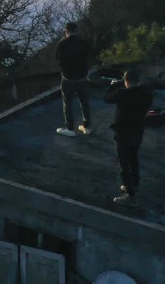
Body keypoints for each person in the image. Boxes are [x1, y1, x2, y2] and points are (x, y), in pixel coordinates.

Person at [104, 69, 153, 205]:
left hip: (123, 132)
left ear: (125, 81)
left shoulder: (122, 93)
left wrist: (114, 85)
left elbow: (107, 98)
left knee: (123, 163)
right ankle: (134, 183)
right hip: (137, 130)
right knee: (133, 158)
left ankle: (129, 193)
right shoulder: (146, 93)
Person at [55, 22, 93, 137]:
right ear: (77, 31)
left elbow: (59, 61)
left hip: (68, 78)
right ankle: (86, 126)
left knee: (68, 103)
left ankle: (69, 128)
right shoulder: (85, 44)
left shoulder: (62, 44)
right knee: (84, 102)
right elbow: (90, 59)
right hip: (82, 77)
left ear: (66, 31)